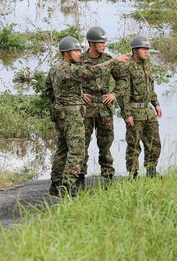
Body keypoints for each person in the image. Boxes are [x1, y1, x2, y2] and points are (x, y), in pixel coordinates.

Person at [44, 36, 128, 196]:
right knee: (77, 150)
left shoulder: (55, 69)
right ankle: (68, 186)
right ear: (66, 53)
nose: (78, 53)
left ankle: (55, 184)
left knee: (62, 149)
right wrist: (115, 60)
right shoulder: (69, 69)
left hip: (61, 113)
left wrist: (63, 100)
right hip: (72, 114)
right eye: (75, 51)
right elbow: (91, 72)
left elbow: (48, 90)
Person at [78, 26, 127, 187]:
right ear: (91, 43)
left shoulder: (108, 58)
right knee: (82, 142)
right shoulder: (80, 60)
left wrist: (114, 94)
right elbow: (71, 79)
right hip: (86, 108)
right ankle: (79, 176)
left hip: (104, 108)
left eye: (105, 42)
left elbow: (122, 79)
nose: (104, 45)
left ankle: (107, 175)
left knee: (106, 142)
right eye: (101, 42)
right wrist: (79, 93)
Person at [119, 35, 163, 178]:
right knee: (134, 145)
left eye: (147, 49)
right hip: (134, 111)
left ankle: (151, 171)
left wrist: (156, 104)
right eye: (144, 49)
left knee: (154, 143)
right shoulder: (127, 67)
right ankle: (133, 174)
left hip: (148, 111)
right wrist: (127, 114)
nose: (146, 52)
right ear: (135, 50)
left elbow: (150, 86)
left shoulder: (147, 64)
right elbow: (123, 93)